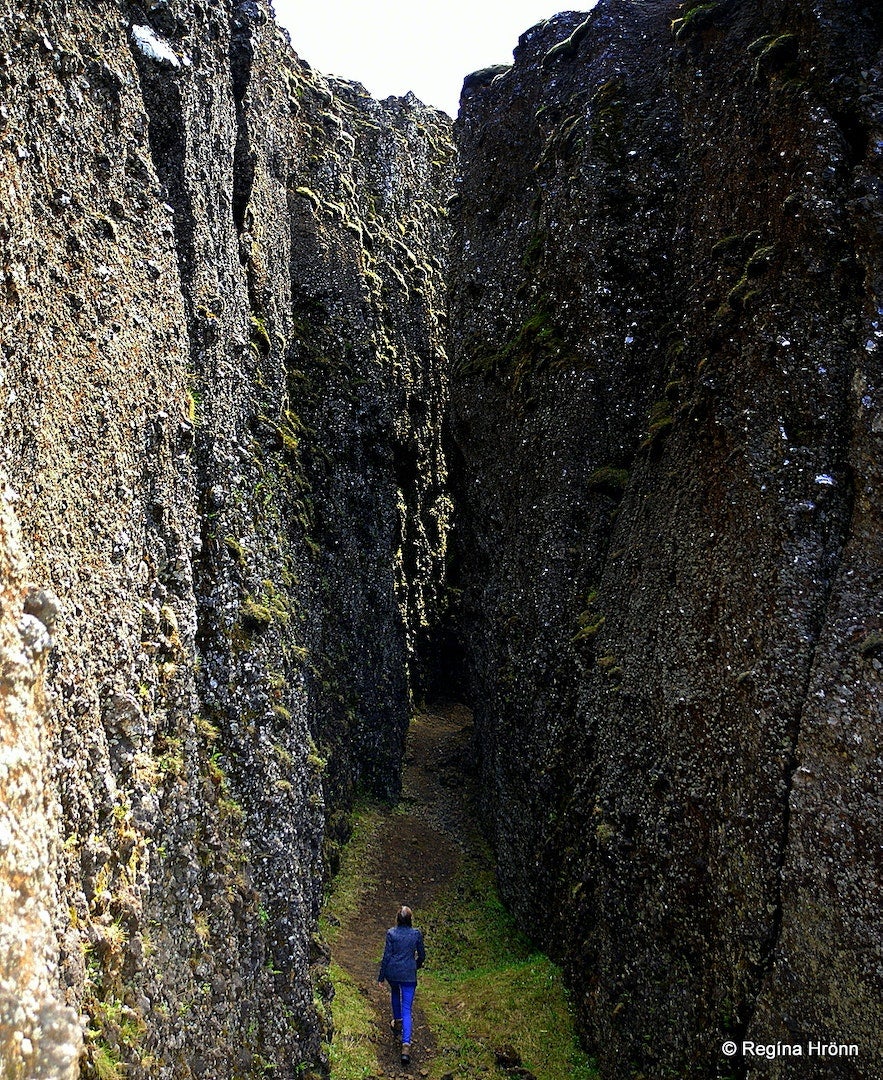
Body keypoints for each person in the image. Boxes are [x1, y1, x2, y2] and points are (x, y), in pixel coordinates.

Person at [377, 905, 425, 1065]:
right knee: (407, 1009)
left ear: (397, 919)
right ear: (410, 919)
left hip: (393, 973)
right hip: (408, 974)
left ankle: (397, 1022)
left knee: (395, 993)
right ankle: (406, 1045)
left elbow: (386, 956)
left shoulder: (391, 933)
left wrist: (381, 976)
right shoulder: (416, 934)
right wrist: (415, 965)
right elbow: (422, 955)